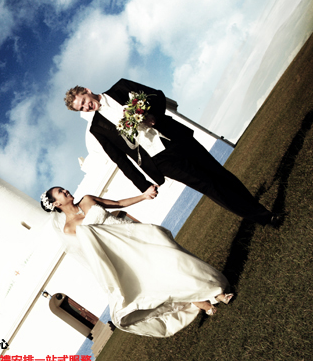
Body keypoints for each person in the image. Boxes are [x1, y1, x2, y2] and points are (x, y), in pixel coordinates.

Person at [64, 79, 281, 226]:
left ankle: (256, 207)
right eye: (81, 109)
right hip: (159, 160)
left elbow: (157, 95)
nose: (86, 107)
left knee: (218, 173)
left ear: (87, 91)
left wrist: (152, 115)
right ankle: (263, 217)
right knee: (207, 185)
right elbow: (120, 159)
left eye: (83, 102)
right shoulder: (97, 129)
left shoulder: (121, 87)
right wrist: (143, 185)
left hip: (175, 138)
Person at [40, 186, 233, 337]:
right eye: (60, 192)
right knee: (160, 278)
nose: (66, 191)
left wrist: (144, 196)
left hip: (133, 235)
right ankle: (209, 299)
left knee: (174, 259)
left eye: (63, 189)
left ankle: (211, 291)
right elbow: (92, 252)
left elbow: (118, 203)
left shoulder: (88, 199)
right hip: (122, 255)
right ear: (56, 203)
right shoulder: (69, 229)